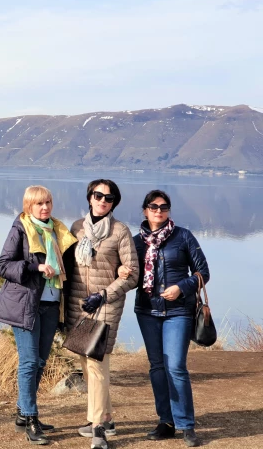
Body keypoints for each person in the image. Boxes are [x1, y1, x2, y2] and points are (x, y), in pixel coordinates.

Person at [0, 185, 78, 446]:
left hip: (52, 304)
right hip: (25, 305)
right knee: (29, 362)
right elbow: (4, 265)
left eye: (48, 202)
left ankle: (23, 413)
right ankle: (30, 417)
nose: (45, 207)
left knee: (40, 362)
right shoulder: (21, 228)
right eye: (39, 204)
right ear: (28, 206)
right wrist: (36, 266)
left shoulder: (58, 230)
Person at [132, 189, 210, 448]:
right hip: (147, 311)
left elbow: (203, 272)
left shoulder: (183, 236)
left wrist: (182, 287)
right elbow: (127, 275)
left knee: (175, 366)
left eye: (164, 207)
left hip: (178, 311)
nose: (159, 211)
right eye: (153, 206)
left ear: (169, 210)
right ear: (145, 210)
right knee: (157, 367)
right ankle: (166, 422)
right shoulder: (136, 242)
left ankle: (186, 425)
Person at [66, 179, 139, 449]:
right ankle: (106, 417)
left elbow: (132, 275)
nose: (102, 200)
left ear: (114, 203)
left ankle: (97, 428)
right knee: (88, 365)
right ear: (89, 197)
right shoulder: (76, 228)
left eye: (109, 198)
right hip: (79, 305)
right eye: (98, 195)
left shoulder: (120, 231)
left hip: (106, 305)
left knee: (96, 365)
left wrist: (104, 294)